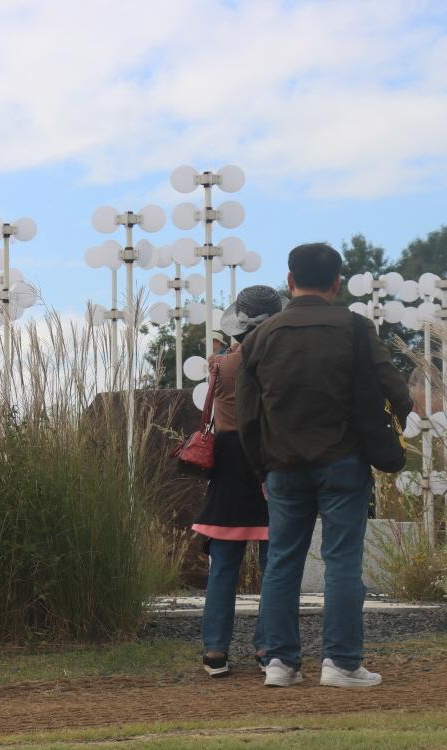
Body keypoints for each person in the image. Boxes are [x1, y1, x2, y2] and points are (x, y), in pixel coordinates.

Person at [236, 243, 412, 689]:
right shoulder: (355, 328)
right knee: (342, 562)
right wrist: (397, 419)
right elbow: (395, 387)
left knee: (281, 562)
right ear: (336, 283)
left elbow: (247, 414)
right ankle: (341, 663)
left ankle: (279, 663)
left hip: (282, 466)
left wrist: (262, 467)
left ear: (290, 281)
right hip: (343, 462)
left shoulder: (262, 335)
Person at [193, 286, 282, 677]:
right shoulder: (282, 365)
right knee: (275, 566)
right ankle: (268, 648)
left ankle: (215, 650)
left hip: (229, 463)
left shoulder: (221, 365)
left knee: (223, 566)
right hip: (272, 459)